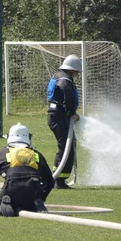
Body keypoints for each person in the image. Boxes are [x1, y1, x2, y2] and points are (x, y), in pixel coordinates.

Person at [0, 123, 54, 217]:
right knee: (31, 204)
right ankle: (36, 203)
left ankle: (2, 205)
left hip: (11, 188)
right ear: (29, 138)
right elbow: (50, 181)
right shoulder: (36, 154)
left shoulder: (2, 154)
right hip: (34, 189)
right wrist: (42, 197)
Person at [47, 54, 81, 189]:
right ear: (72, 71)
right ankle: (59, 180)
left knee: (65, 147)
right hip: (59, 117)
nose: (77, 75)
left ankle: (58, 177)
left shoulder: (59, 76)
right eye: (76, 73)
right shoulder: (65, 80)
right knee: (66, 148)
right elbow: (69, 97)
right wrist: (72, 113)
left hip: (57, 116)